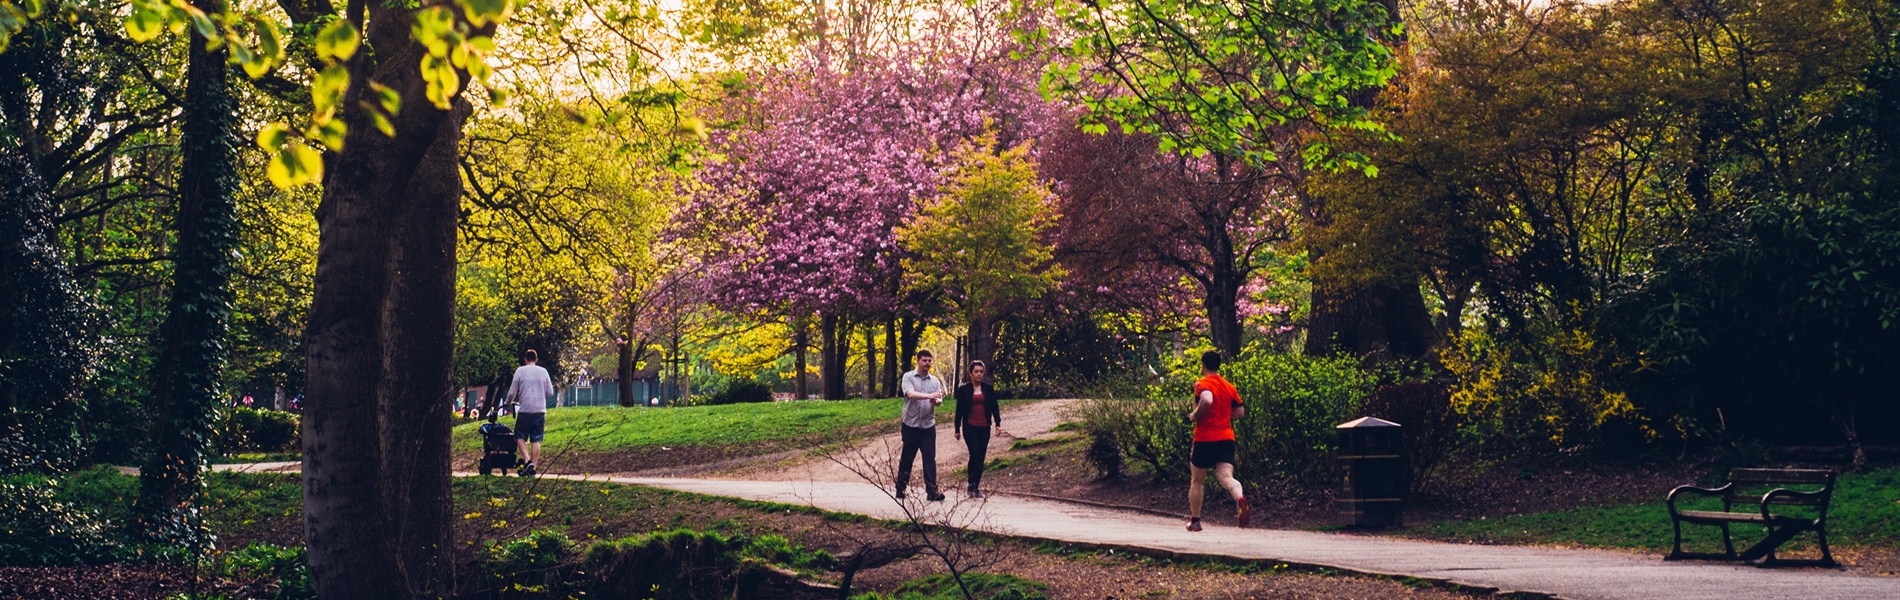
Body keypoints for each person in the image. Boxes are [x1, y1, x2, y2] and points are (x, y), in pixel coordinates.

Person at [1185, 350, 1248, 532]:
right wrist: (1222, 415)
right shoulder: (1229, 386)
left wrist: (1195, 415)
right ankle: (1239, 498)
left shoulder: (1203, 384)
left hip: (1205, 438)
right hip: (1226, 437)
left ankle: (1195, 521)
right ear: (1219, 365)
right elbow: (1240, 412)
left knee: (1197, 481)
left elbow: (1207, 399)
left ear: (1203, 365)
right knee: (1226, 478)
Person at [896, 349, 947, 501]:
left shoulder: (935, 381)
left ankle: (932, 491)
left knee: (929, 458)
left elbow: (939, 400)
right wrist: (928, 396)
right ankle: (901, 487)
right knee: (907, 458)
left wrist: (935, 401)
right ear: (917, 361)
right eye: (924, 360)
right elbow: (910, 394)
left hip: (928, 426)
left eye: (929, 361)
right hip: (910, 425)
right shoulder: (908, 377)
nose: (927, 364)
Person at [953, 360, 1003, 498]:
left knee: (981, 457)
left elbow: (994, 406)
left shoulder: (988, 389)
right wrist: (957, 428)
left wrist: (998, 423)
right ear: (970, 373)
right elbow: (959, 410)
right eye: (976, 371)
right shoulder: (964, 390)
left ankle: (976, 486)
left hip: (984, 426)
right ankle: (970, 483)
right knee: (974, 453)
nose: (979, 374)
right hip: (970, 426)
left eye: (981, 371)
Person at [506, 349, 554, 477]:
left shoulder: (520, 371)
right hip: (540, 410)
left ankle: (527, 462)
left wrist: (507, 402)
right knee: (536, 439)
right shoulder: (543, 372)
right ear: (536, 359)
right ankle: (533, 469)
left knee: (519, 436)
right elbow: (550, 392)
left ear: (525, 359)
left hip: (525, 409)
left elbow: (512, 392)